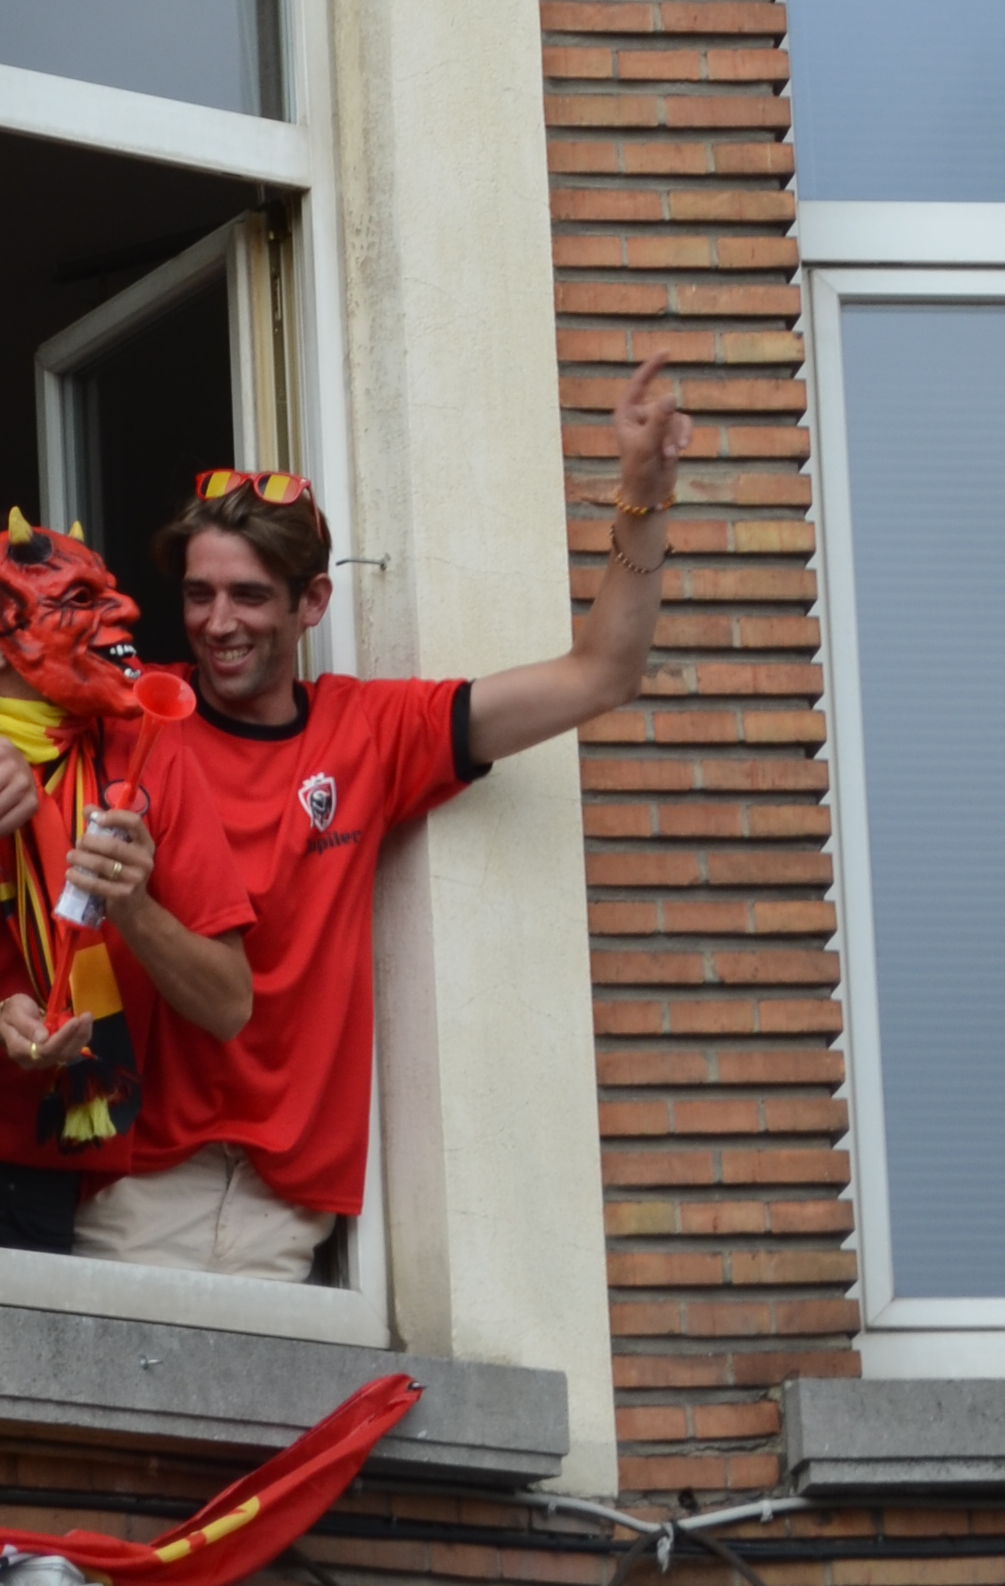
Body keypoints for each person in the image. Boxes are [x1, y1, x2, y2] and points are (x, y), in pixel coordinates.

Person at [65, 356, 694, 1278]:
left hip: (286, 1203)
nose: (218, 622)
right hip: (138, 1181)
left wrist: (644, 497)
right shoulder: (134, 719)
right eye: (200, 594)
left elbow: (601, 675)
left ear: (313, 602)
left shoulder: (369, 729)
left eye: (249, 595)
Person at [0, 556, 253, 1254]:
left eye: (108, 592)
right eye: (78, 600)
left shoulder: (149, 750)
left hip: (46, 1173)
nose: (122, 613)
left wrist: (134, 907)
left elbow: (230, 1005)